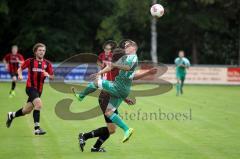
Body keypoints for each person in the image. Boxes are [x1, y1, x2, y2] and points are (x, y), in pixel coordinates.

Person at [72, 44, 157, 152]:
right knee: (111, 126)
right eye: (126, 45)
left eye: (128, 45)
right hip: (107, 95)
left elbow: (127, 74)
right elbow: (119, 72)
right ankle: (90, 140)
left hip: (114, 91)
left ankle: (88, 140)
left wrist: (146, 73)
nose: (126, 47)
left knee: (111, 128)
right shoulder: (120, 60)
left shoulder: (125, 60)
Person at [6, 43, 54, 135]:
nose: (42, 52)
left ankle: (11, 115)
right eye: (40, 50)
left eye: (43, 50)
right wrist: (19, 75)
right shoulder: (30, 61)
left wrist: (48, 75)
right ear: (35, 52)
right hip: (30, 88)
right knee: (39, 104)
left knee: (26, 111)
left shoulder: (47, 64)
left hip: (39, 90)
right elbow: (20, 69)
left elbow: (52, 77)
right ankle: (37, 128)